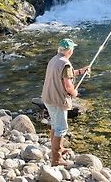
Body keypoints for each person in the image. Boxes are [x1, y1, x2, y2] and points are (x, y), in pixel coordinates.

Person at [41, 38, 89, 166]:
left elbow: (63, 75)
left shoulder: (54, 60)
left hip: (48, 98)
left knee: (55, 125)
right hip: (57, 100)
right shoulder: (65, 64)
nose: (72, 51)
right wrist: (75, 93)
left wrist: (80, 71)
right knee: (61, 128)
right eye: (72, 48)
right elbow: (68, 85)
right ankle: (56, 159)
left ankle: (58, 150)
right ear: (69, 51)